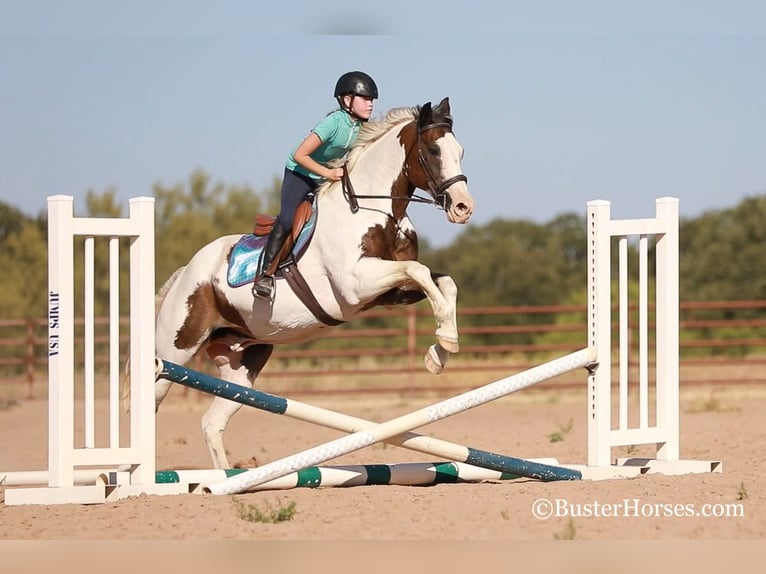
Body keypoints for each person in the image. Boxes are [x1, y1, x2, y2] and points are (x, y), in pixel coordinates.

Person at [253, 70, 378, 300]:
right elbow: (299, 154)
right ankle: (265, 274)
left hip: (326, 178)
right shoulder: (332, 123)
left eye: (372, 100)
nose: (370, 105)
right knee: (289, 219)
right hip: (301, 174)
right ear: (347, 100)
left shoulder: (363, 128)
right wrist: (327, 173)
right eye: (366, 99)